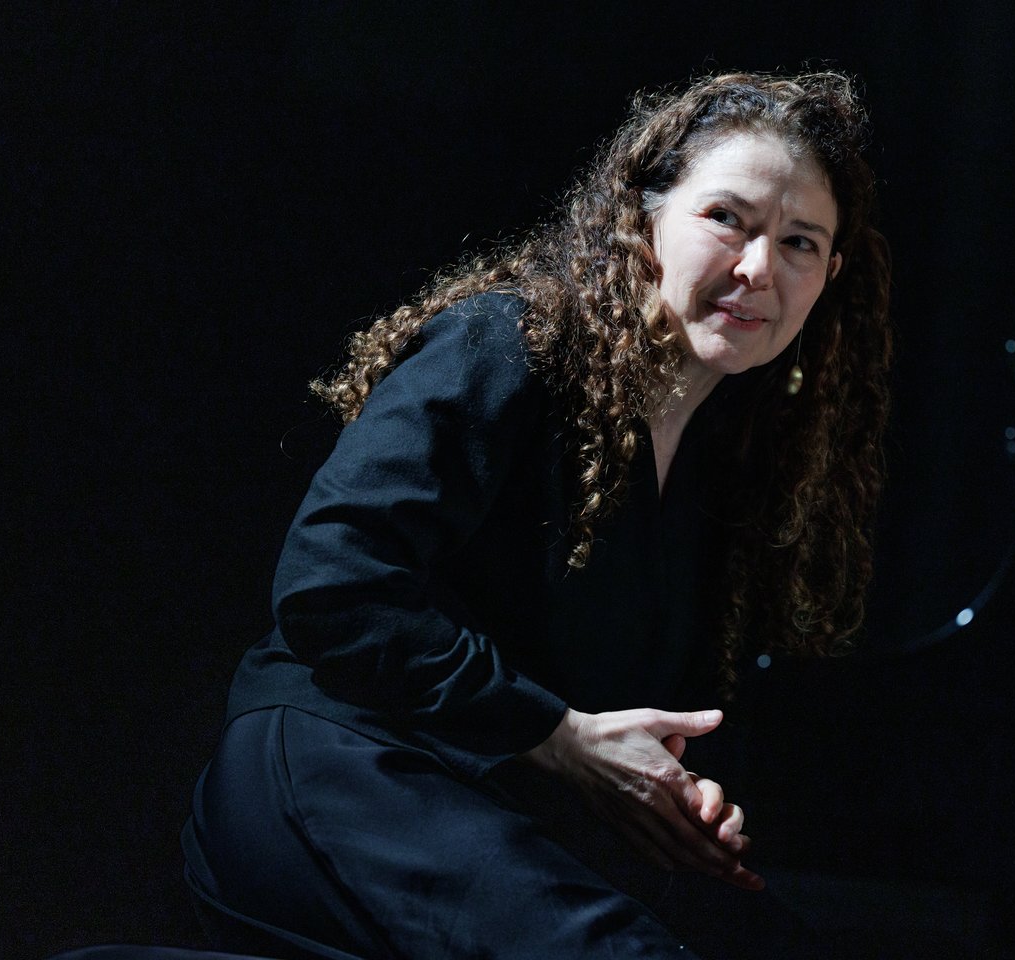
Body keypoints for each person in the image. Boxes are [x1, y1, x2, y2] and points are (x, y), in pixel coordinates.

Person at [181, 70, 893, 960]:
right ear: (642, 221)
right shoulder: (508, 346)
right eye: (726, 219)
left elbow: (619, 724)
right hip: (345, 767)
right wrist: (555, 735)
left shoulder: (733, 461)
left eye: (798, 243)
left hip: (497, 806)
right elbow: (331, 586)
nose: (757, 268)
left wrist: (673, 794)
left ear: (828, 275)